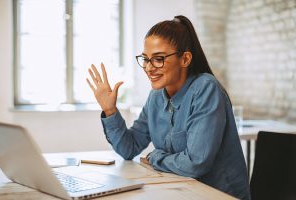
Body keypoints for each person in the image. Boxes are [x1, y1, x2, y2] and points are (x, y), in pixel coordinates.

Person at [86, 15, 251, 200]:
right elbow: (129, 148)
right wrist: (110, 110)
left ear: (185, 59)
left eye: (158, 59)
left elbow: (195, 163)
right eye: (145, 59)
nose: (149, 68)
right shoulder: (156, 96)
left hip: (216, 195)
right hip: (179, 191)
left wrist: (156, 157)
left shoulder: (206, 88)